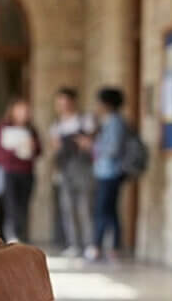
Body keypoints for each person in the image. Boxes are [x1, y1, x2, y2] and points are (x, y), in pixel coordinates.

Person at [50, 87, 95, 257]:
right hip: (64, 167)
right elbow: (54, 147)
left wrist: (81, 142)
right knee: (67, 206)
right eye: (60, 103)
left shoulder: (85, 120)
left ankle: (89, 244)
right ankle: (73, 244)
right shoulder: (57, 124)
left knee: (85, 206)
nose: (63, 106)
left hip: (82, 167)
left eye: (66, 102)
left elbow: (90, 143)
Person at [84, 86, 127, 261]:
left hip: (111, 172)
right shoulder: (107, 122)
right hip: (104, 171)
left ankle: (98, 246)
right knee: (109, 210)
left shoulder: (115, 122)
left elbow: (113, 148)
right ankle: (112, 247)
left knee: (103, 210)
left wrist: (92, 146)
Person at [0, 97, 41, 243]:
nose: (24, 113)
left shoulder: (31, 130)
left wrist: (32, 146)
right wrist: (17, 150)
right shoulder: (3, 128)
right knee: (11, 206)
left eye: (26, 110)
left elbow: (39, 151)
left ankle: (22, 236)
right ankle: (11, 237)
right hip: (9, 173)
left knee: (23, 207)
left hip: (27, 173)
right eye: (21, 110)